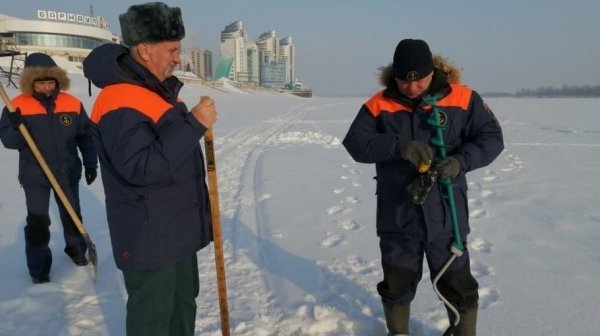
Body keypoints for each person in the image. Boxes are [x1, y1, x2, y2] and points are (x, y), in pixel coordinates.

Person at [343, 39, 504, 336]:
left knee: (459, 286)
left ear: (433, 71)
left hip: (447, 214)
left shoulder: (464, 98)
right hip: (398, 217)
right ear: (395, 76)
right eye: (404, 81)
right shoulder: (378, 104)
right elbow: (354, 143)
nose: (412, 88)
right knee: (396, 285)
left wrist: (460, 162)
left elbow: (492, 138)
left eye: (419, 81)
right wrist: (397, 146)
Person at [82, 2, 217, 335]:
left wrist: (190, 122)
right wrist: (195, 124)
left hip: (176, 231)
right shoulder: (119, 100)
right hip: (149, 236)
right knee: (153, 318)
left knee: (183, 306)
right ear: (144, 49)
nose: (177, 58)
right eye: (172, 49)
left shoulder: (160, 92)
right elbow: (141, 168)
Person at [0, 53, 98, 284]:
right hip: (35, 174)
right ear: (30, 82)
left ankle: (76, 250)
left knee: (72, 213)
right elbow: (10, 142)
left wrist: (90, 162)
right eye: (41, 82)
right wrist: (15, 127)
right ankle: (39, 267)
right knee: (38, 220)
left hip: (67, 170)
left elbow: (85, 136)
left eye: (50, 81)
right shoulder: (17, 106)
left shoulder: (72, 103)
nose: (46, 87)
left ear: (57, 80)